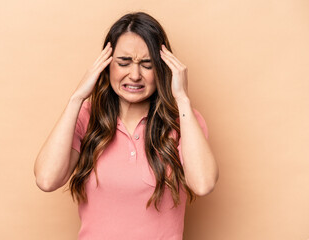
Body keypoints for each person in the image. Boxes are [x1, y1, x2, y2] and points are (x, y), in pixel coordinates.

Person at [34, 11, 219, 240]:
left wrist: (181, 98)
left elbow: (203, 184)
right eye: (123, 62)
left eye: (147, 65)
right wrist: (77, 98)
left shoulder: (184, 120)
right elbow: (46, 179)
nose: (134, 75)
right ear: (106, 65)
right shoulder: (86, 116)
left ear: (162, 69)